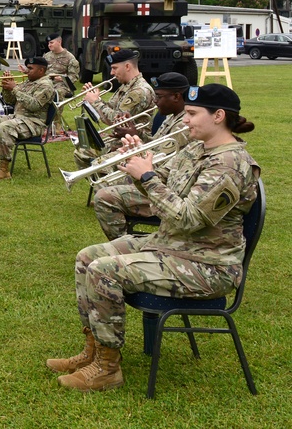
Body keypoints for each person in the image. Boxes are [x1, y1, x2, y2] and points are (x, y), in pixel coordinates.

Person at [47, 84, 260, 392]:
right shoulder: (196, 147)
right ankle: (93, 352)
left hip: (207, 264)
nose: (185, 120)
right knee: (87, 257)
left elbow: (189, 218)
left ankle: (107, 370)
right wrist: (140, 164)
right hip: (174, 247)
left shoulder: (229, 164)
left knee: (104, 270)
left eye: (192, 114)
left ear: (219, 116)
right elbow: (165, 186)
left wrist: (146, 176)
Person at [92, 72, 192, 240]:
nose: (155, 101)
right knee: (104, 170)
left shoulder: (184, 124)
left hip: (162, 183)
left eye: (159, 96)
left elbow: (159, 159)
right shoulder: (172, 117)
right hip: (156, 176)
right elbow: (156, 143)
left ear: (176, 97)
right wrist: (135, 134)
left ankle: (121, 242)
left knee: (107, 183)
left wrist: (137, 148)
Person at [0, 57, 55, 180]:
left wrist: (14, 88)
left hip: (33, 123)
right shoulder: (28, 82)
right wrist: (6, 88)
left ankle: (4, 170)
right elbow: (10, 101)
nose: (26, 71)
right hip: (18, 118)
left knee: (6, 126)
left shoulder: (46, 86)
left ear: (41, 71)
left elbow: (34, 105)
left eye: (30, 68)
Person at [73, 49, 155, 169]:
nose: (111, 72)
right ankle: (98, 181)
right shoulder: (126, 86)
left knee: (84, 153)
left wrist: (95, 101)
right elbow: (110, 107)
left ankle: (101, 183)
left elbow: (117, 121)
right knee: (82, 149)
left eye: (115, 68)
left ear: (127, 66)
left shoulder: (139, 91)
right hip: (121, 139)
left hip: (133, 142)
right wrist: (93, 98)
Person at [43, 33, 78, 130]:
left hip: (63, 86)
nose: (49, 45)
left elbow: (74, 76)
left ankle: (56, 124)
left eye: (51, 43)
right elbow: (41, 72)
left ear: (59, 42)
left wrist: (62, 78)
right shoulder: (46, 56)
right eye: (48, 43)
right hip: (47, 84)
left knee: (57, 93)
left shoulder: (70, 58)